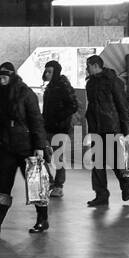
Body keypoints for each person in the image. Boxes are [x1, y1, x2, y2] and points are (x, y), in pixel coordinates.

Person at [0, 62, 50, 236]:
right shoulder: (1, 92)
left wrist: (39, 147)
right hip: (7, 147)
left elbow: (36, 121)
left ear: (12, 76)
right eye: (0, 77)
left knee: (35, 185)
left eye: (5, 77)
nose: (2, 81)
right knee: (4, 186)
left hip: (27, 148)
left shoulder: (25, 93)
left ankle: (42, 220)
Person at [83, 55, 129, 207]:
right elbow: (92, 106)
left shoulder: (113, 81)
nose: (86, 69)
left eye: (88, 66)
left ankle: (126, 182)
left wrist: (127, 131)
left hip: (112, 127)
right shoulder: (90, 83)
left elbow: (122, 106)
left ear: (95, 65)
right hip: (96, 129)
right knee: (98, 162)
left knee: (114, 160)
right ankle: (101, 195)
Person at [41, 60, 79, 198]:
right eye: (46, 71)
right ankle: (51, 181)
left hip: (59, 128)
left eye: (50, 71)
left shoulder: (63, 86)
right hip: (47, 126)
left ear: (56, 72)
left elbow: (73, 105)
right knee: (42, 154)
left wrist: (59, 116)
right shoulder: (50, 87)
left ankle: (58, 185)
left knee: (58, 158)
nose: (47, 73)